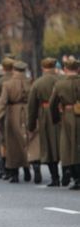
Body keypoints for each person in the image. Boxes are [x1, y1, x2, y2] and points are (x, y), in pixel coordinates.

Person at [0, 60, 31, 183]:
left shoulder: (8, 84)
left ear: (14, 70)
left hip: (12, 113)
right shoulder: (30, 82)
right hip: (27, 112)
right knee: (26, 142)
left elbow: (2, 102)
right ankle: (27, 169)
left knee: (13, 144)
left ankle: (14, 173)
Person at [27, 57, 61, 186]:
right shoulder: (61, 79)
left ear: (43, 68)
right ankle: (68, 172)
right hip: (62, 113)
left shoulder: (37, 83)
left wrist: (31, 125)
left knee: (49, 147)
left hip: (45, 116)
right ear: (54, 67)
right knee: (63, 145)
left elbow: (32, 106)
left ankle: (55, 177)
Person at [50, 57, 80, 190]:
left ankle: (70, 171)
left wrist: (56, 118)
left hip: (67, 116)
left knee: (67, 146)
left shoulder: (59, 84)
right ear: (78, 69)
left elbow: (52, 104)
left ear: (65, 69)